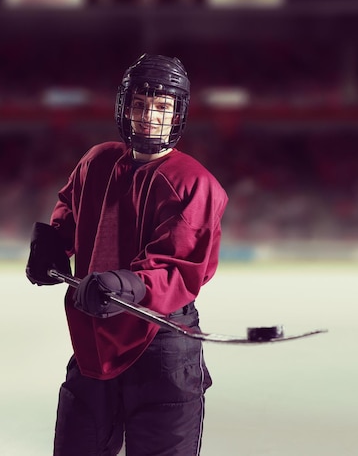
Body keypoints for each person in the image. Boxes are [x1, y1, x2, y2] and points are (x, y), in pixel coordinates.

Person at [26, 53, 228, 456]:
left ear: (176, 115)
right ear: (125, 108)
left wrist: (127, 284)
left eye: (161, 106)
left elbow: (181, 268)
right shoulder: (96, 161)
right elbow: (69, 209)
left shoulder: (194, 183)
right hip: (94, 342)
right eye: (140, 103)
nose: (149, 115)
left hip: (162, 343)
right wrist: (50, 247)